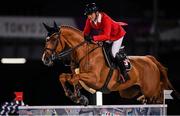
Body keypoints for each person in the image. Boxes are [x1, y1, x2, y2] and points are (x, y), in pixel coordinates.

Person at [83, 3, 129, 83]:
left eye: (90, 14)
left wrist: (93, 38)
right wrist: (84, 38)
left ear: (96, 13)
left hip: (117, 35)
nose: (89, 16)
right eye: (88, 15)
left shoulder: (105, 19)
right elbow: (85, 33)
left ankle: (124, 74)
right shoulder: (89, 20)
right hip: (106, 36)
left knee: (113, 54)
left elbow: (106, 36)